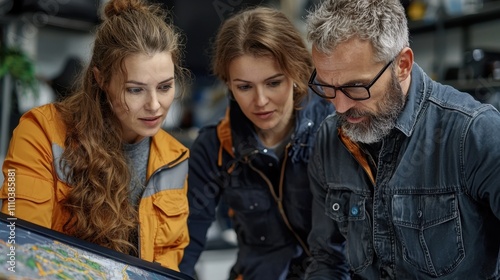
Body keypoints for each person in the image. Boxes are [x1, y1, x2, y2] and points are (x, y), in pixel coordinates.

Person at [305, 0, 500, 279]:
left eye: (356, 87)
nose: (339, 107)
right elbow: (327, 257)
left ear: (402, 65)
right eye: (326, 86)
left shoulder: (474, 134)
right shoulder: (329, 137)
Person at [0, 0, 190, 271]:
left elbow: (167, 264)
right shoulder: (40, 132)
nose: (155, 105)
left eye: (164, 87)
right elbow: (14, 249)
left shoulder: (175, 158)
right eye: (135, 90)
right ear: (101, 79)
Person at [179, 6, 340, 280]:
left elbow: (349, 248)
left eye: (273, 83)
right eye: (244, 87)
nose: (261, 100)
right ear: (228, 85)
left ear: (296, 72)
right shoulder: (215, 146)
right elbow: (185, 245)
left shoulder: (337, 130)